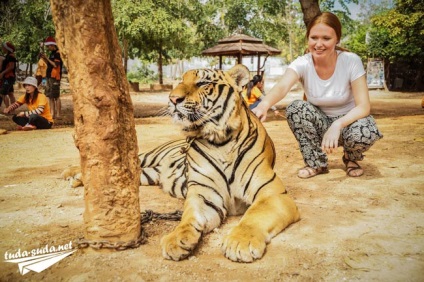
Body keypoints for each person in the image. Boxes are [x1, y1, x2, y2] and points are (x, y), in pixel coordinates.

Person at [252, 12, 383, 178]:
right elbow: (282, 86)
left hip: (348, 123)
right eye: (314, 37)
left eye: (326, 38)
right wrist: (263, 105)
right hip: (320, 124)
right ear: (308, 38)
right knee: (295, 108)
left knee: (367, 129)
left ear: (337, 39)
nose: (318, 44)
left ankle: (351, 158)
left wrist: (337, 125)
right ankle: (316, 163)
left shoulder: (351, 61)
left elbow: (364, 106)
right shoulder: (302, 63)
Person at [40, 36, 62, 119]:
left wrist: (47, 58)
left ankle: (58, 114)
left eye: (48, 46)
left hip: (55, 76)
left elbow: (55, 65)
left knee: (56, 96)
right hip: (49, 76)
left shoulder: (57, 53)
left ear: (53, 45)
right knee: (50, 96)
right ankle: (52, 113)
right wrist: (44, 58)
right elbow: (49, 64)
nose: (48, 48)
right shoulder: (52, 53)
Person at [0, 41, 17, 109]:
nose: (2, 48)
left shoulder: (10, 56)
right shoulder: (8, 56)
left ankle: (8, 109)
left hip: (8, 77)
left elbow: (11, 67)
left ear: (6, 48)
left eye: (3, 47)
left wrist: (2, 73)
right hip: (8, 77)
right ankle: (12, 109)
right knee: (10, 94)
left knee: (2, 93)